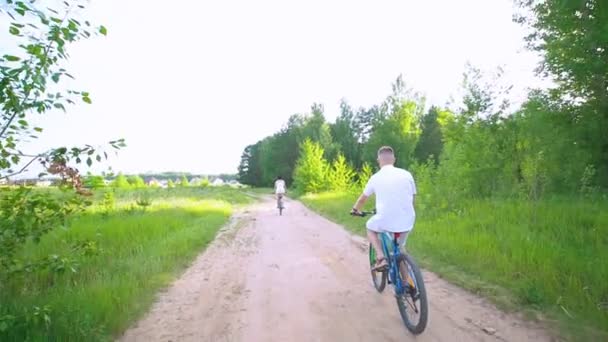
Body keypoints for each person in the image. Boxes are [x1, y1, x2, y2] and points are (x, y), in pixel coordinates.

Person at [351, 146, 416, 271]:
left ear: (378, 160)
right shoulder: (407, 174)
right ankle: (407, 283)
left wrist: (355, 210)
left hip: (386, 219)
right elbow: (412, 198)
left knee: (370, 227)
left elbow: (362, 199)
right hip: (408, 219)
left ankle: (381, 257)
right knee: (399, 247)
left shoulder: (375, 177)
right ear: (394, 160)